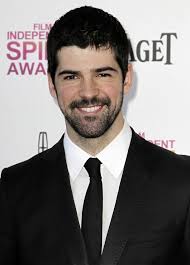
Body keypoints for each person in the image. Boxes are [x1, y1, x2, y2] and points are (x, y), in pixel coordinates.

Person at [0, 5, 190, 265]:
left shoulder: (182, 182)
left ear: (126, 78)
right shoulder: (15, 189)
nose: (88, 92)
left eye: (102, 74)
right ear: (51, 85)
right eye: (71, 76)